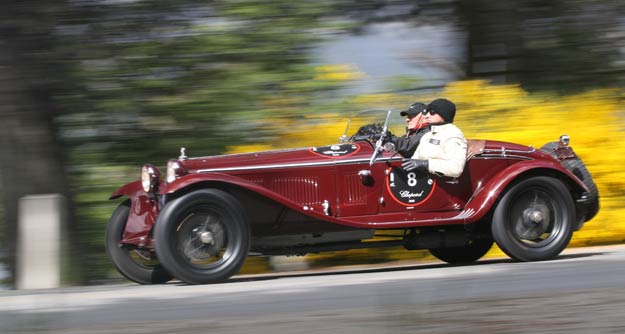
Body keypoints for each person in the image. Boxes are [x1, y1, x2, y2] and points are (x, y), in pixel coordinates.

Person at [402, 98, 467, 178]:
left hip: (442, 185)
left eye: (432, 112)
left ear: (444, 115)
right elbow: (414, 160)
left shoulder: (453, 135)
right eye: (427, 112)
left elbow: (456, 168)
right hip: (422, 182)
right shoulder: (427, 136)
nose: (426, 116)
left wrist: (426, 164)